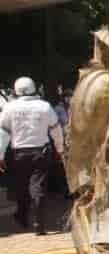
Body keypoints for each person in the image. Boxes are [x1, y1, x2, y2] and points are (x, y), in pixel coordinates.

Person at [0, 76, 65, 234]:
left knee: (21, 188)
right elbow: (56, 130)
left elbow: (3, 133)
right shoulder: (44, 107)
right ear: (34, 88)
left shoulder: (9, 108)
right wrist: (60, 149)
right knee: (38, 187)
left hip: (19, 154)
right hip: (41, 152)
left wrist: (0, 155)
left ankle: (22, 217)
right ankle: (39, 223)